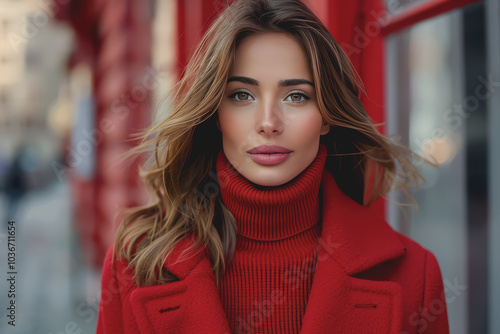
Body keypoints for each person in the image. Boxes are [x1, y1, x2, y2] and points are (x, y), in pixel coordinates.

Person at [96, 0, 449, 333]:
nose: (268, 122)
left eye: (296, 96)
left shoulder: (414, 275)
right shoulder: (134, 264)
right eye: (241, 95)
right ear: (215, 115)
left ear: (326, 116)